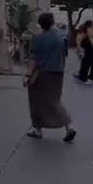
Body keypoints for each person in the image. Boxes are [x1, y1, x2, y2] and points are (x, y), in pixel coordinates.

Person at [25, 12, 77, 142]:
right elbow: (64, 56)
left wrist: (28, 75)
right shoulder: (60, 38)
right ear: (52, 23)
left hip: (41, 72)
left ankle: (37, 129)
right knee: (54, 100)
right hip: (57, 72)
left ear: (40, 23)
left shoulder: (38, 39)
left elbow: (33, 58)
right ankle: (69, 126)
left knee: (35, 101)